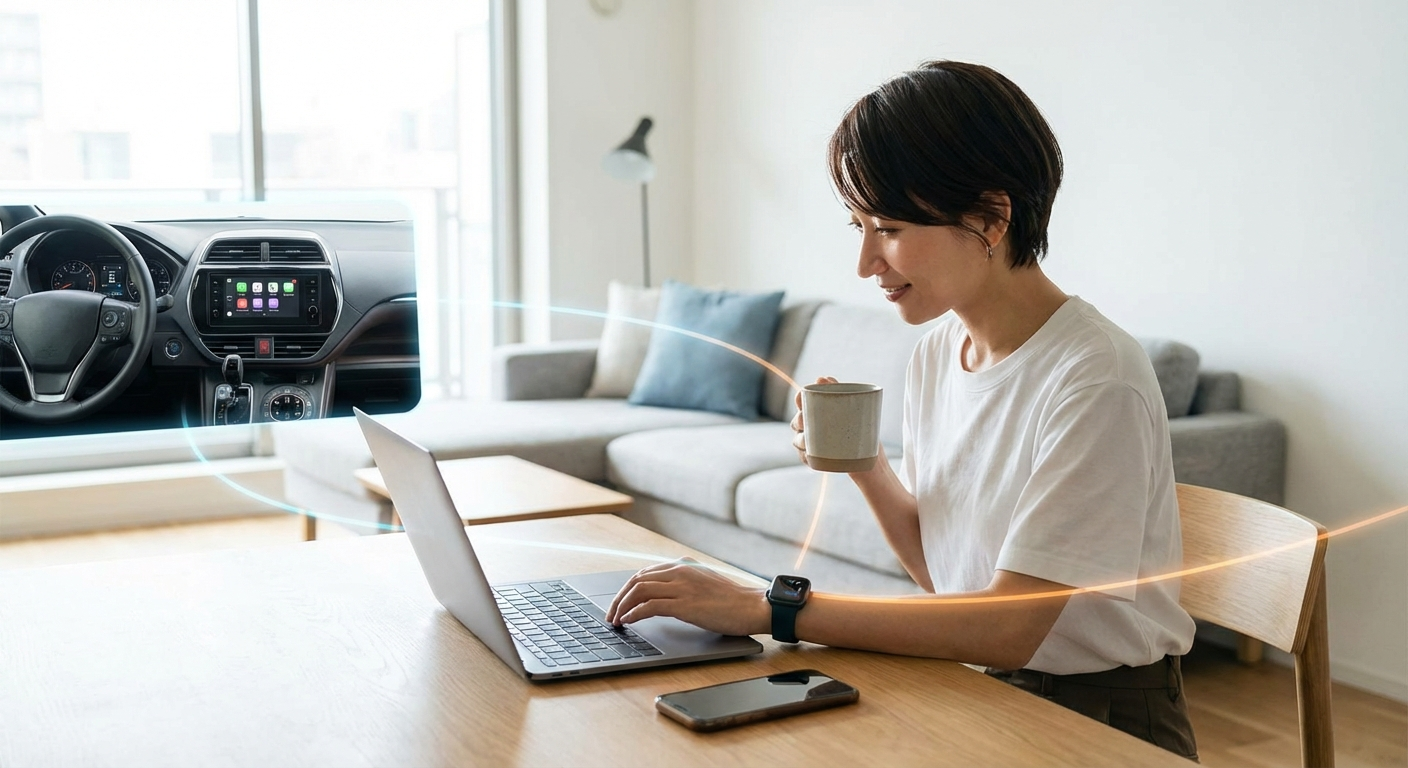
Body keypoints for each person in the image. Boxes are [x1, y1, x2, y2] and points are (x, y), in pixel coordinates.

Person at [605, 60, 1198, 759]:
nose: (865, 263)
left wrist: (772, 607)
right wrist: (866, 466)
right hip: (982, 685)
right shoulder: (939, 353)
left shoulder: (1095, 377)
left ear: (990, 217)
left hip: (1099, 718)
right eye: (858, 225)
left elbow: (1009, 627)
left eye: (886, 227)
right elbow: (944, 577)